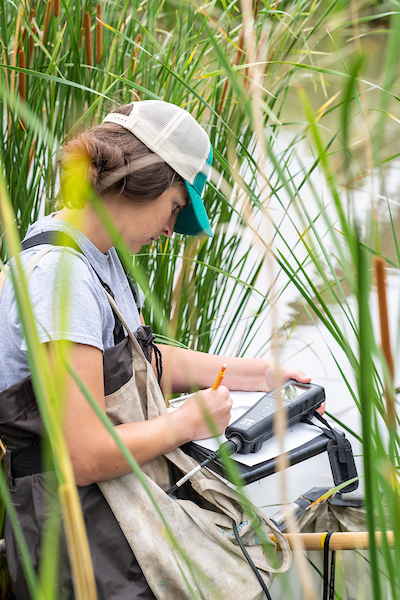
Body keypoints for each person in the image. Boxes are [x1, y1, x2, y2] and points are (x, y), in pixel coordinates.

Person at [0, 100, 322, 599]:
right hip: (78, 541)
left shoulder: (97, 256)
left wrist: (261, 374)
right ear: (143, 177)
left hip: (114, 509)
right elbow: (83, 454)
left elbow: (146, 363)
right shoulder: (59, 274)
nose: (172, 230)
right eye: (175, 208)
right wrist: (189, 422)